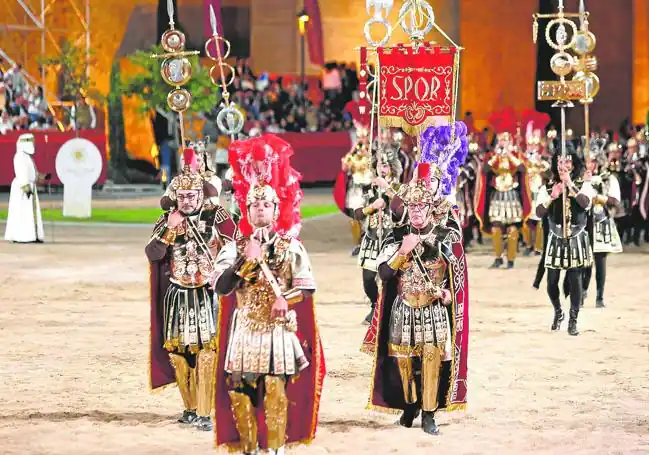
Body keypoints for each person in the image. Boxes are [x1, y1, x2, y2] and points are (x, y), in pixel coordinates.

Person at [211, 134, 325, 455]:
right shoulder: (234, 247)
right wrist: (243, 261)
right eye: (254, 205)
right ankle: (248, 449)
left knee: (275, 388)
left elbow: (306, 287)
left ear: (276, 211)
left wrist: (282, 299)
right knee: (239, 389)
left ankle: (274, 450)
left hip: (277, 330)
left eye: (266, 205)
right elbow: (221, 287)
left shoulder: (291, 246)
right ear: (246, 211)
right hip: (245, 328)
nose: (260, 209)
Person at [362, 123, 470, 436]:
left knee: (433, 359)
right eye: (413, 206)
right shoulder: (397, 233)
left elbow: (455, 268)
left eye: (422, 206)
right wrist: (402, 252)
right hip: (404, 308)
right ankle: (408, 407)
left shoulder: (445, 232)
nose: (417, 212)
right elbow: (383, 274)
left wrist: (450, 294)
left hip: (434, 307)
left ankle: (429, 413)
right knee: (404, 360)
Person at [145, 148, 238, 431]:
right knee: (178, 352)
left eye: (192, 196)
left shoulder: (217, 215)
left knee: (207, 351)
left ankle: (205, 411)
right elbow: (153, 253)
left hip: (206, 294)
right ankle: (189, 407)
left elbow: (237, 245)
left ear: (201, 194)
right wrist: (170, 229)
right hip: (177, 295)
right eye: (182, 196)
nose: (187, 200)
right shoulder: (168, 219)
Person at [534, 144, 595, 336]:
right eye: (560, 161)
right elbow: (538, 212)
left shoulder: (583, 182)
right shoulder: (548, 186)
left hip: (576, 236)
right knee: (551, 282)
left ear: (573, 163)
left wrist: (570, 185)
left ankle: (573, 318)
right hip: (555, 236)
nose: (563, 165)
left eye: (567, 161)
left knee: (575, 279)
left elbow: (585, 204)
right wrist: (552, 197)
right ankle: (558, 311)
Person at [475, 108, 533, 269]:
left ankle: (511, 259)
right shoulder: (492, 156)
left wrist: (509, 154)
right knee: (496, 228)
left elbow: (522, 169)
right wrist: (497, 155)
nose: (503, 142)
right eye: (501, 139)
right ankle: (498, 257)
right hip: (497, 195)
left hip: (512, 195)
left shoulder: (516, 155)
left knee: (513, 229)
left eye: (506, 139)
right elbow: (485, 170)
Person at [356, 146, 403, 324]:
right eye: (380, 166)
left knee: (391, 278)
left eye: (386, 166)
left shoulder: (400, 188)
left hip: (391, 239)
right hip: (372, 238)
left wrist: (389, 190)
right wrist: (372, 207)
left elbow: (402, 207)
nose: (383, 170)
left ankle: (389, 308)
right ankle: (375, 304)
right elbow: (357, 214)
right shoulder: (368, 188)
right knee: (368, 279)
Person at [582, 141, 623, 307]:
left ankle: (599, 296)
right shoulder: (582, 179)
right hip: (585, 224)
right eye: (588, 161)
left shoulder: (608, 179)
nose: (590, 164)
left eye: (593, 161)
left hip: (602, 222)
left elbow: (615, 202)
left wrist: (600, 198)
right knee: (584, 261)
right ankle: (583, 291)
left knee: (600, 261)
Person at [333, 119, 373, 256]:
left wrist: (369, 154)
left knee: (370, 217)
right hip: (356, 190)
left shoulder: (374, 151)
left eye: (364, 135)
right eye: (359, 136)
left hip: (370, 188)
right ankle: (358, 244)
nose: (361, 138)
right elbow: (345, 167)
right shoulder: (353, 153)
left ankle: (370, 242)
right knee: (355, 218)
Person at [4, 133, 46, 243]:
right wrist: (26, 187)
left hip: (29, 186)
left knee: (29, 213)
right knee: (22, 212)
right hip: (23, 189)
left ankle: (31, 235)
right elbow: (21, 173)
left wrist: (42, 176)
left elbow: (33, 173)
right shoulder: (20, 156)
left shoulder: (26, 157)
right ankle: (23, 236)